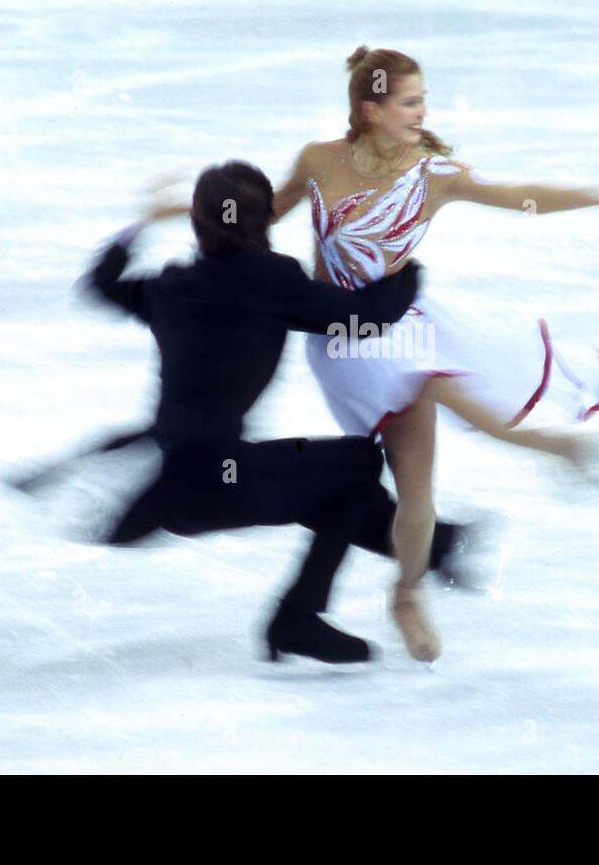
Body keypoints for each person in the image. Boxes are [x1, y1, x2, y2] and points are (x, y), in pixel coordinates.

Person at [261, 45, 599, 662]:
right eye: (410, 101)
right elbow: (260, 219)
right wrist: (208, 225)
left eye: (422, 100)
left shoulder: (433, 175)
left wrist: (596, 194)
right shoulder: (317, 161)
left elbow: (522, 195)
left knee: (417, 492)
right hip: (342, 340)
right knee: (427, 391)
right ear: (371, 108)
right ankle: (553, 448)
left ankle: (406, 593)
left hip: (406, 327)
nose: (422, 112)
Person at [76, 159, 477, 665]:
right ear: (267, 221)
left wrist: (145, 221)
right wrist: (405, 269)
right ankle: (299, 618)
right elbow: (367, 319)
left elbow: (100, 284)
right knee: (355, 468)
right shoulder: (269, 280)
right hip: (216, 481)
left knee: (325, 486)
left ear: (196, 222)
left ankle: (434, 547)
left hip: (176, 481)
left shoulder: (172, 286)